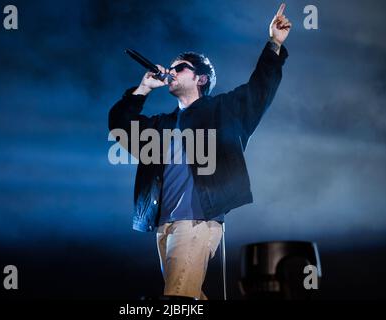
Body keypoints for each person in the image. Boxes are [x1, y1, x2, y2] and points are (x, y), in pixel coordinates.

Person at [108, 4, 291, 299]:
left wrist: (274, 44)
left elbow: (260, 89)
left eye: (180, 67)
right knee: (189, 297)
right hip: (165, 224)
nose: (171, 71)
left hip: (196, 223)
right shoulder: (162, 126)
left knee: (177, 298)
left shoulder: (223, 111)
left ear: (200, 79)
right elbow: (119, 127)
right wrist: (143, 89)